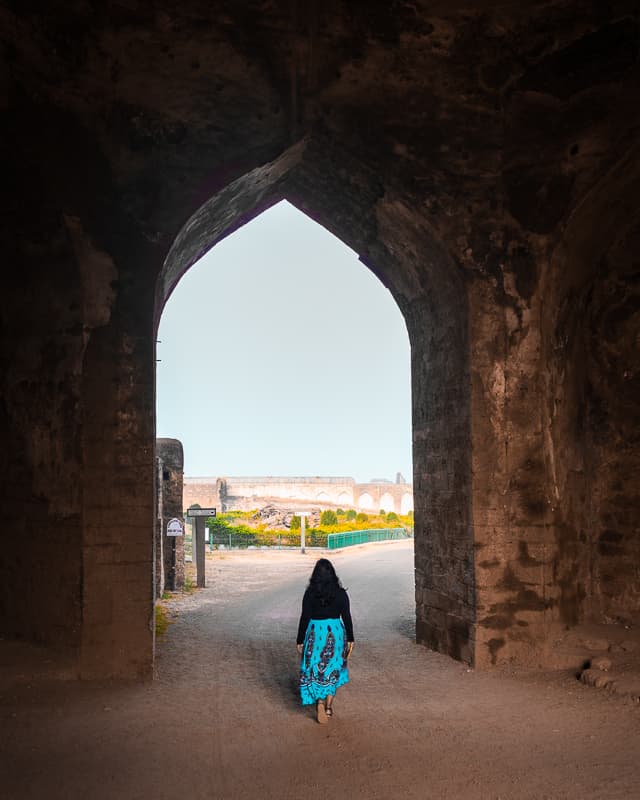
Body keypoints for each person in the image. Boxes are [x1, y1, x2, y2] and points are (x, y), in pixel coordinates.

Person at [296, 558, 354, 724]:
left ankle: (319, 702)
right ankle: (328, 707)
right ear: (333, 575)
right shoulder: (341, 594)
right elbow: (347, 617)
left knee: (315, 668)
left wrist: (300, 639)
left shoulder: (309, 594)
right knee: (333, 668)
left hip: (315, 633)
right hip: (335, 633)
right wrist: (351, 638)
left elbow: (304, 617)